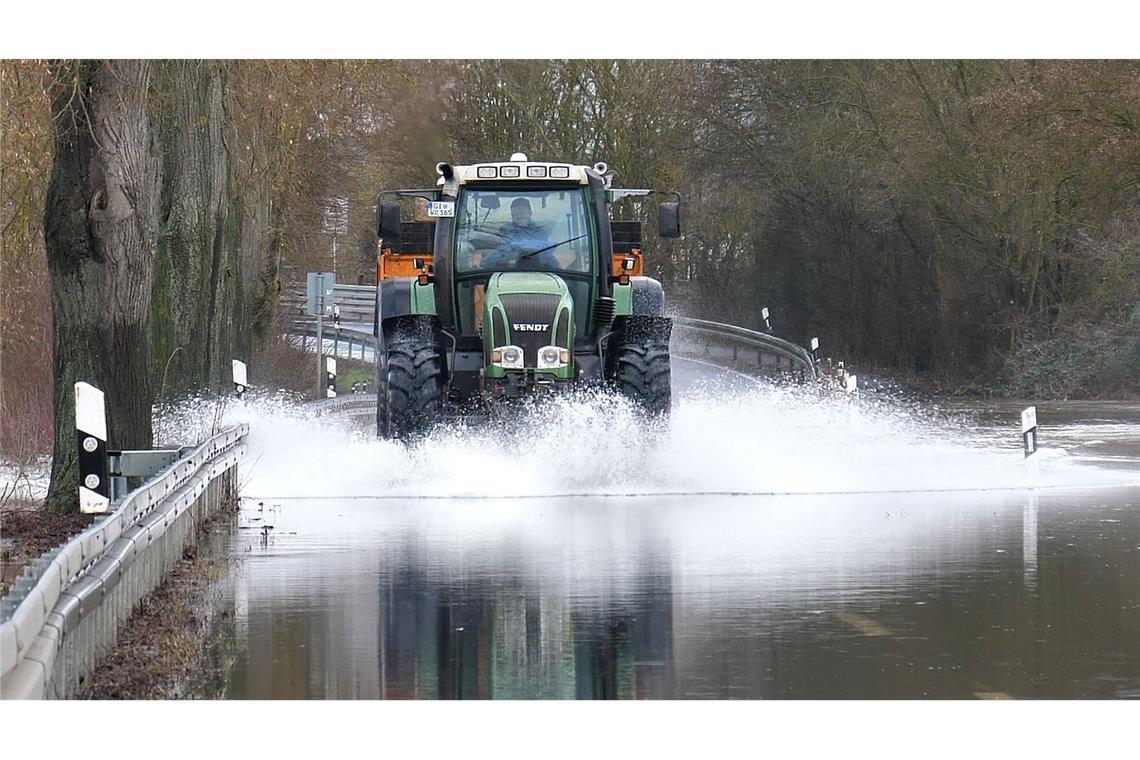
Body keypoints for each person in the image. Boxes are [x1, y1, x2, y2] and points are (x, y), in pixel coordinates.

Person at [480, 197, 559, 270]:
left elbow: (544, 247)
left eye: (522, 212)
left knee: (554, 265)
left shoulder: (539, 230)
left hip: (536, 258)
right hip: (508, 257)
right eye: (515, 214)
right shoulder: (506, 229)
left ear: (530, 212)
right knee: (485, 263)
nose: (519, 216)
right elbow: (501, 246)